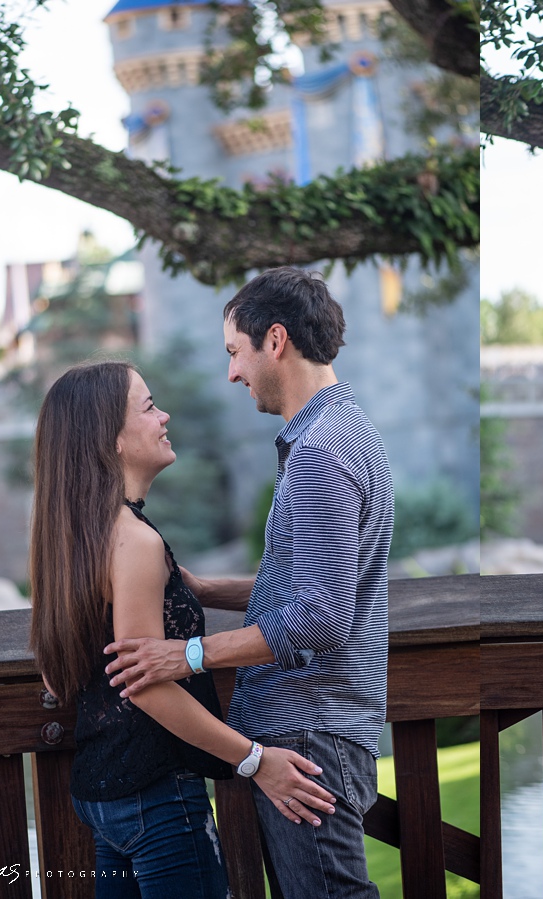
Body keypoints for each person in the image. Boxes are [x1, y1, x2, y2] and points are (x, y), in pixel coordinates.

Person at [103, 267, 395, 899]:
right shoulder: (345, 429)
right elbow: (310, 582)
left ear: (276, 340)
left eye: (235, 352)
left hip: (309, 732)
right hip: (314, 728)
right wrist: (207, 590)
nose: (232, 373)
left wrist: (187, 654)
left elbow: (320, 618)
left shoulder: (321, 450)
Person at [28, 361, 333, 898]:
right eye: (148, 407)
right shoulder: (135, 543)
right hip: (157, 796)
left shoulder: (72, 539)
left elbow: (63, 670)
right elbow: (144, 684)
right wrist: (255, 761)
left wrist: (198, 590)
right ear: (112, 440)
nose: (164, 416)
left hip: (101, 793)